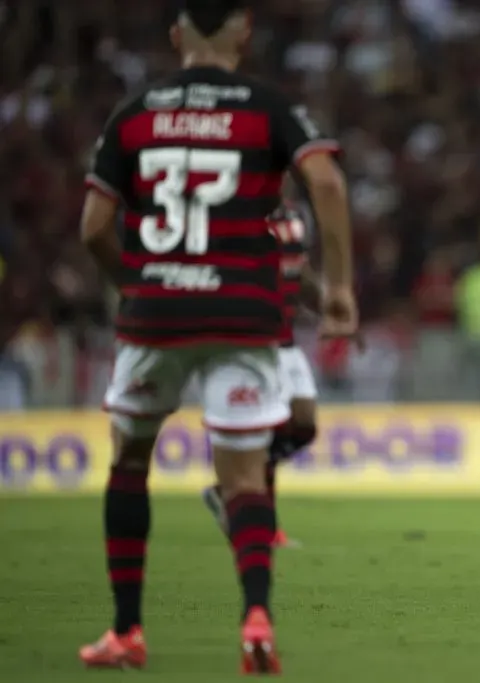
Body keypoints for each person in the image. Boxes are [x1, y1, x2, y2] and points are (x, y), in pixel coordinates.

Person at [76, 0, 357, 673]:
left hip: (156, 313)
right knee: (242, 478)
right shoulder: (267, 106)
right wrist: (343, 288)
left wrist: (139, 281)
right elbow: (324, 178)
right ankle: (256, 617)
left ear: (176, 35)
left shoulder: (135, 111)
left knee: (129, 464)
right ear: (245, 33)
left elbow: (91, 228)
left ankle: (126, 630)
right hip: (242, 315)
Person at [202, 200, 336, 548]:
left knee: (303, 425)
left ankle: (227, 491)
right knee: (268, 428)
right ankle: (264, 527)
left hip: (286, 342)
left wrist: (330, 308)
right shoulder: (240, 214)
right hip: (255, 341)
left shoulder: (294, 215)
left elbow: (300, 270)